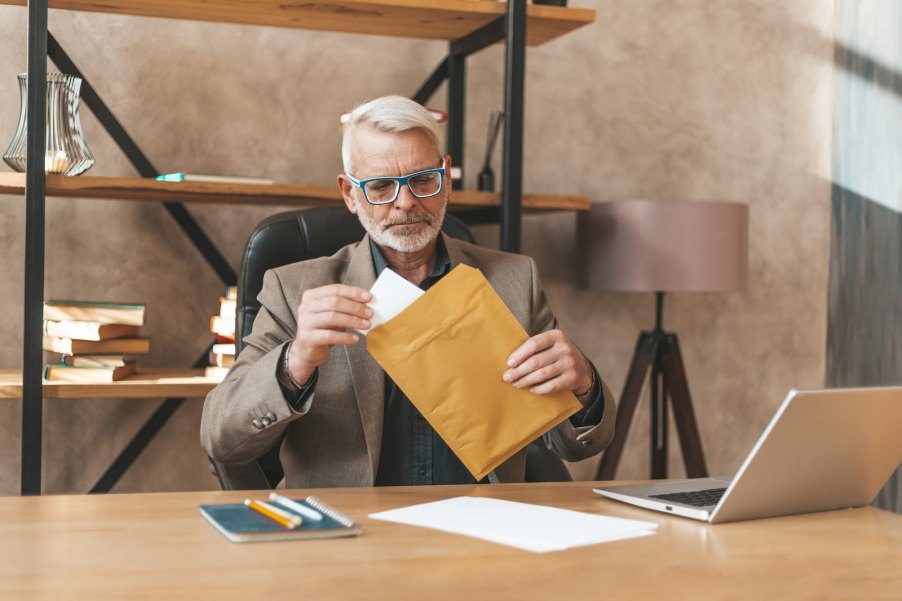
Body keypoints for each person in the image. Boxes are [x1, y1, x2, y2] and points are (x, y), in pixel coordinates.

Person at [201, 95, 615, 488]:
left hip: (483, 525)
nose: (406, 202)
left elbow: (575, 445)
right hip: (354, 536)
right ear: (350, 194)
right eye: (381, 187)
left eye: (422, 180)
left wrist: (584, 384)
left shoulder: (514, 279)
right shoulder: (295, 290)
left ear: (445, 178)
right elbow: (222, 439)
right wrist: (296, 360)